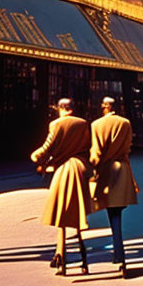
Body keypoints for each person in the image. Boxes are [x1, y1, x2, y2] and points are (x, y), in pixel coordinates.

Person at [31, 97, 92, 276]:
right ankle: (83, 259)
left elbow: (47, 147)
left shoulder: (55, 124)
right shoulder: (83, 123)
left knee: (61, 216)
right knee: (79, 215)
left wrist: (35, 156)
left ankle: (62, 260)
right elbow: (89, 146)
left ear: (60, 109)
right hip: (80, 168)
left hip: (64, 170)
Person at [90, 96, 138, 277]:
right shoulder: (125, 123)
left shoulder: (96, 125)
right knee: (117, 212)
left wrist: (91, 168)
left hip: (106, 172)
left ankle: (120, 254)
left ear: (104, 107)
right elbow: (127, 150)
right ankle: (119, 254)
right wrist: (133, 180)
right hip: (123, 170)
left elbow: (96, 152)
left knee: (113, 213)